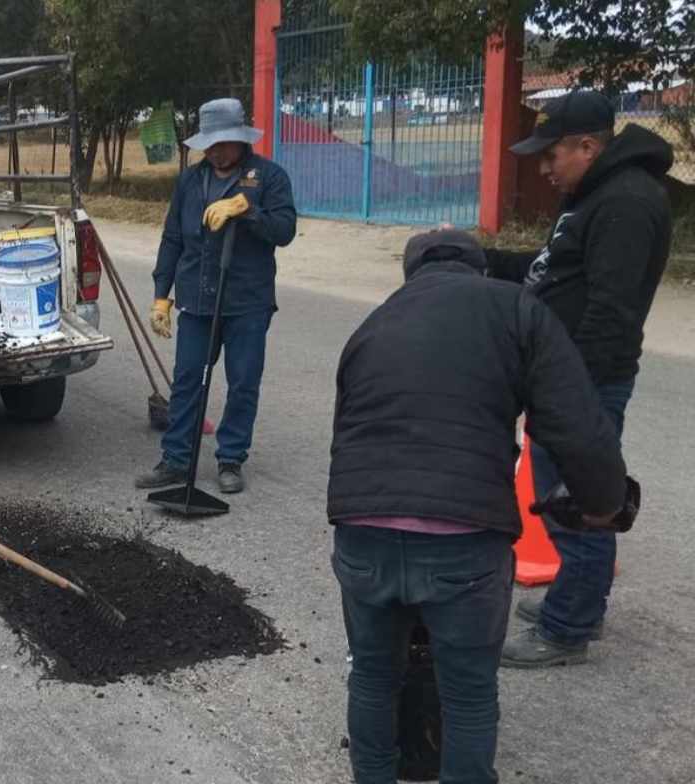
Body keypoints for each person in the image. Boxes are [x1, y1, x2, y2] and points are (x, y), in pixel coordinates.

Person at [329, 230, 628, 784]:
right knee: (467, 694)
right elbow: (578, 425)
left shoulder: (375, 322)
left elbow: (348, 430)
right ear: (480, 269)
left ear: (411, 273)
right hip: (462, 538)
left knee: (372, 678)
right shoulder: (518, 309)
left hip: (361, 527)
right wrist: (604, 503)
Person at [485, 90, 674, 668]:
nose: (544, 169)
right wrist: (480, 259)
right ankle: (571, 601)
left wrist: (573, 397)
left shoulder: (628, 204)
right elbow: (550, 274)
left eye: (551, 156)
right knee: (559, 498)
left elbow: (610, 314)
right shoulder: (592, 198)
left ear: (587, 146)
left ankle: (568, 628)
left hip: (584, 383)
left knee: (582, 502)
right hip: (561, 379)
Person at [134, 98, 297, 494]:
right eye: (208, 143)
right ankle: (176, 459)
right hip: (197, 296)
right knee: (188, 379)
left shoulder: (269, 177)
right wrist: (161, 295)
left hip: (247, 300)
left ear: (240, 139)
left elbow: (285, 230)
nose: (214, 150)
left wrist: (248, 211)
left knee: (243, 381)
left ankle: (230, 459)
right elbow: (173, 238)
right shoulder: (191, 180)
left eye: (222, 142)